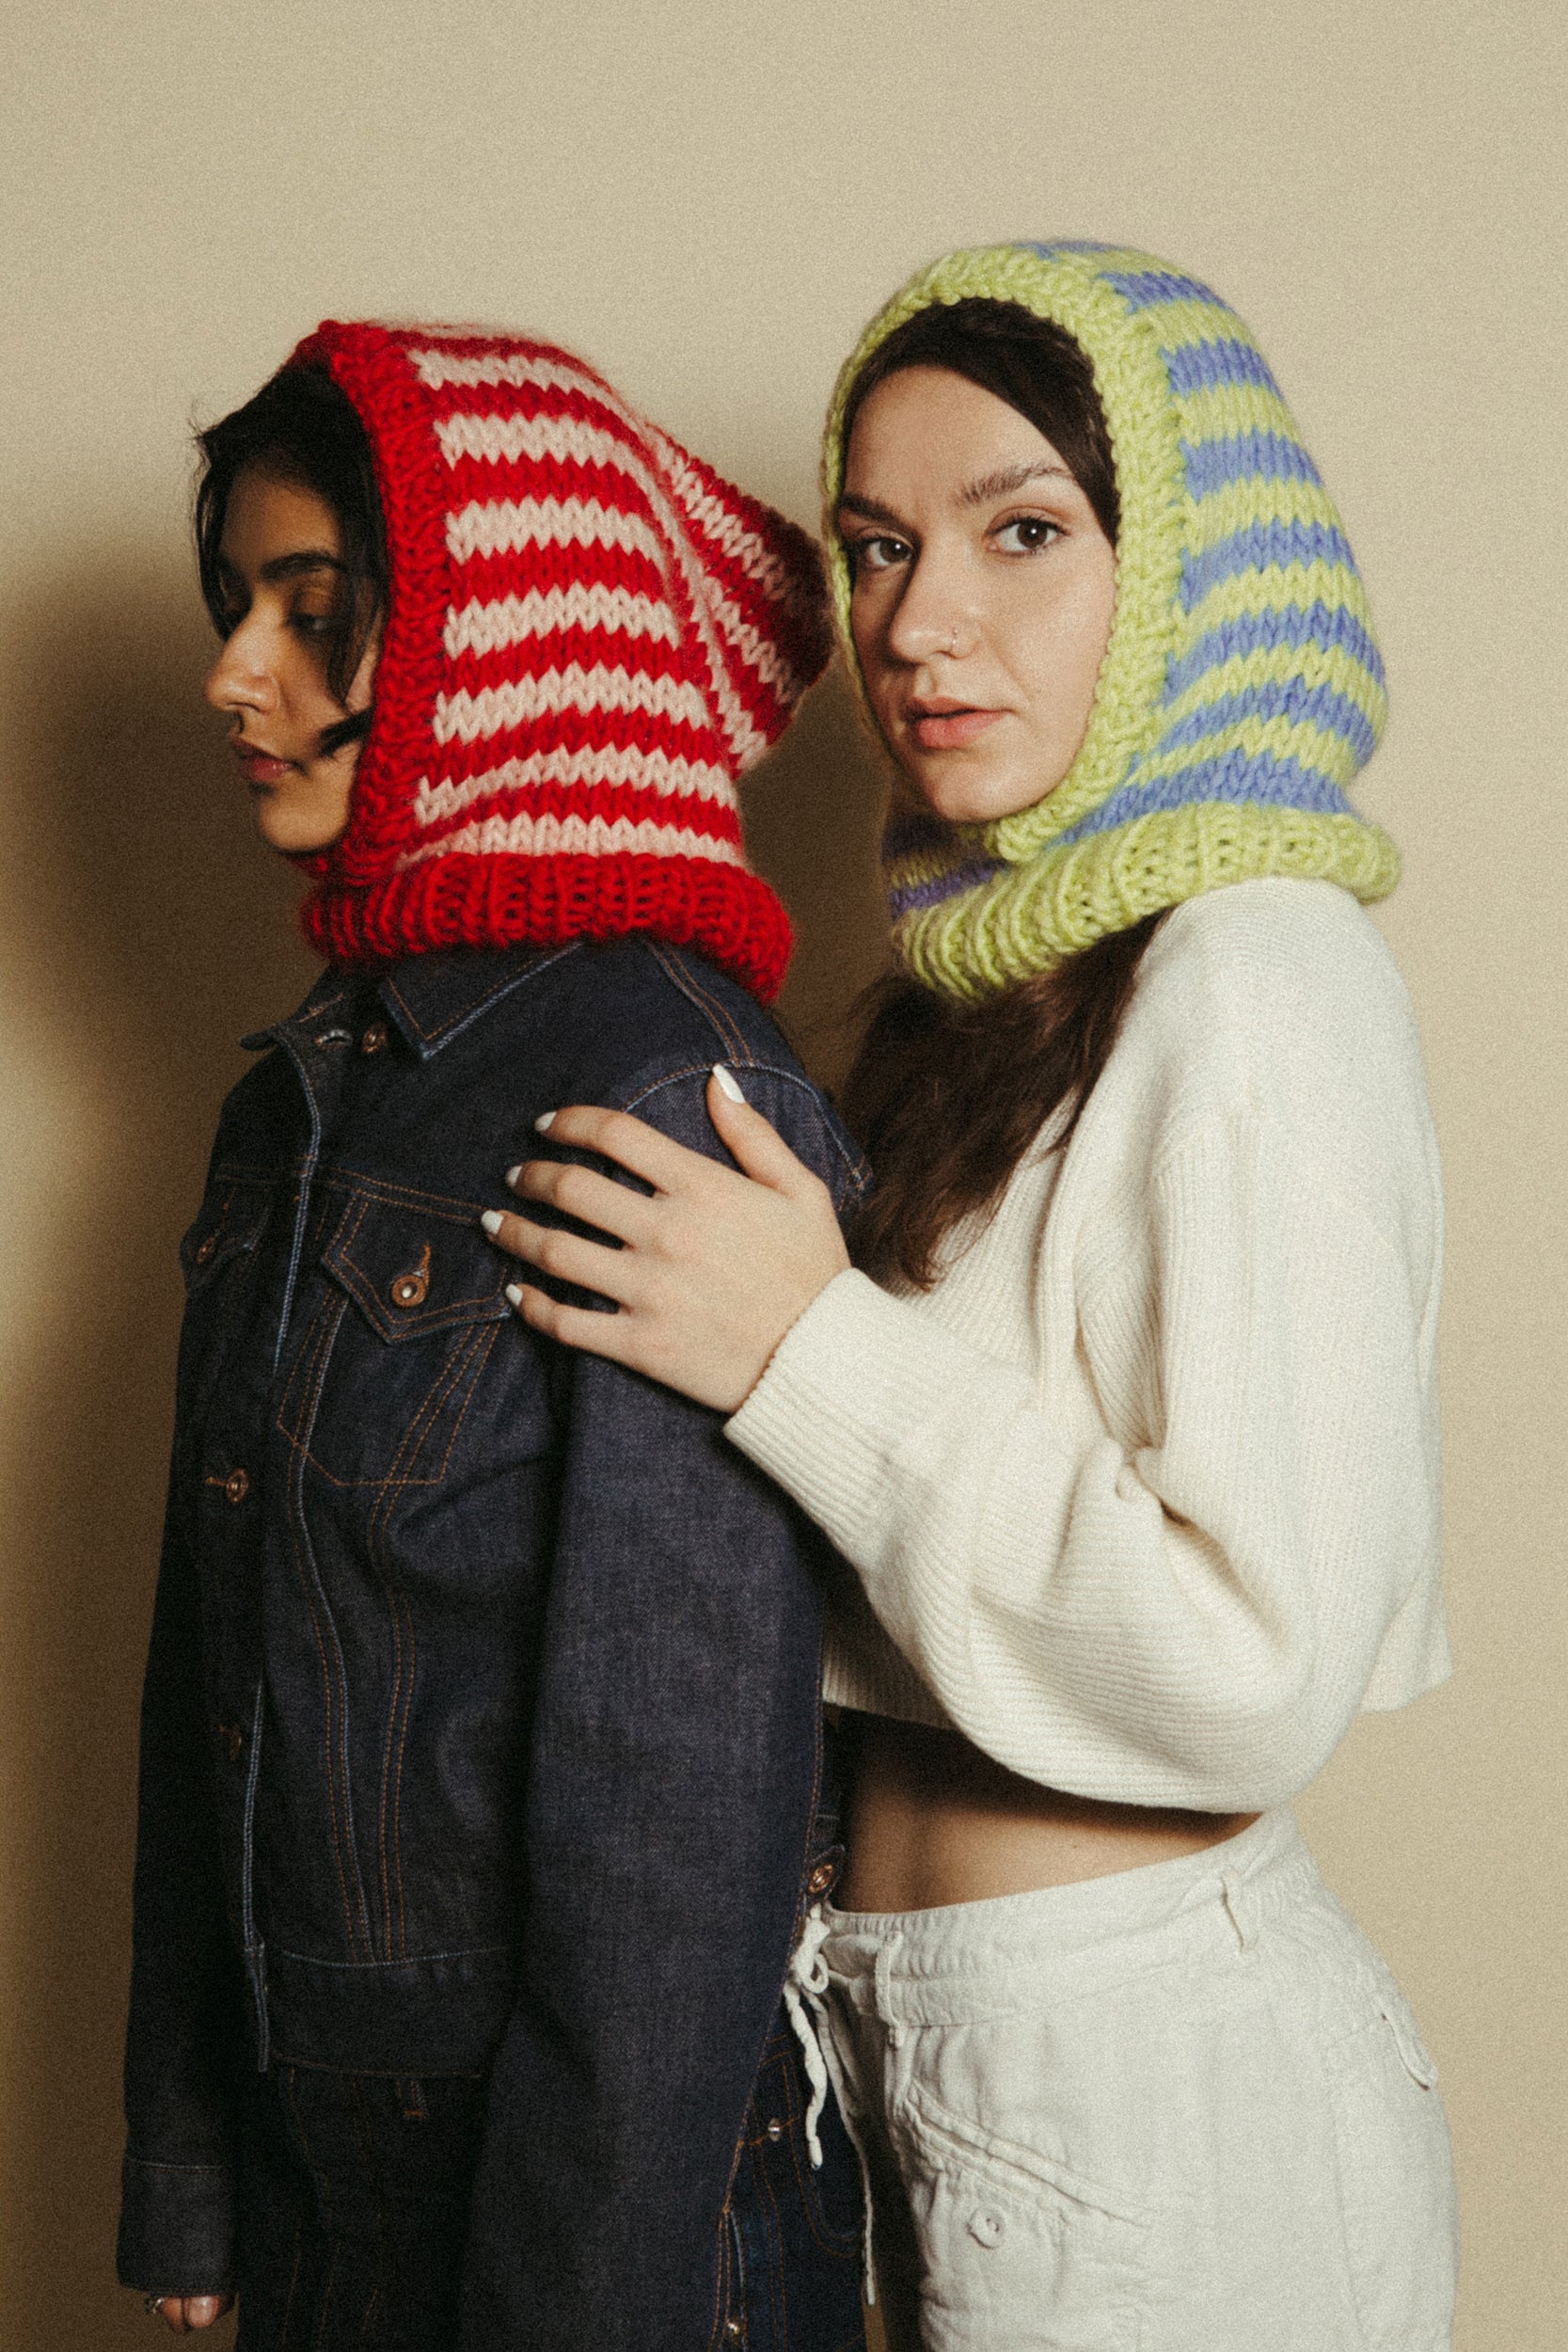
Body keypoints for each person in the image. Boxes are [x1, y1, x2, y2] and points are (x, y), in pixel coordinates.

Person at [484, 243, 1462, 2349]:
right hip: (902, 2048)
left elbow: (1257, 1653)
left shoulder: (1261, 969)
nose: (919, 624)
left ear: (1194, 571)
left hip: (1152, 2098)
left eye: (1023, 530)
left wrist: (802, 1344)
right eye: (875, 546)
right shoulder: (981, 990)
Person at [118, 319, 872, 2349]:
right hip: (320, 2189)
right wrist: (191, 2159)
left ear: (504, 655)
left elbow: (677, 1827)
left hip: (583, 2231)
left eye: (311, 607)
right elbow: (221, 1659)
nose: (232, 674)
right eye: (231, 603)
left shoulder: (660, 1094)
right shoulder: (301, 1085)